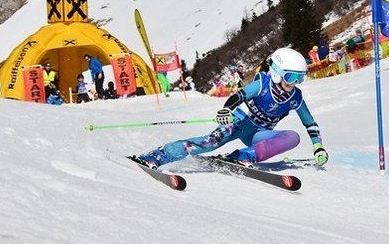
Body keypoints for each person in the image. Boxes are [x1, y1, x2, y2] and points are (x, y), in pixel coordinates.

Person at [131, 47, 328, 170]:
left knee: (293, 137)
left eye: (299, 79)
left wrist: (317, 145)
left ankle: (243, 156)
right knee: (209, 143)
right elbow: (238, 96)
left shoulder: (295, 97)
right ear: (277, 73)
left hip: (258, 135)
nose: (294, 83)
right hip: (238, 123)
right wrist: (227, 111)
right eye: (291, 77)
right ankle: (160, 155)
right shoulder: (262, 85)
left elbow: (309, 123)